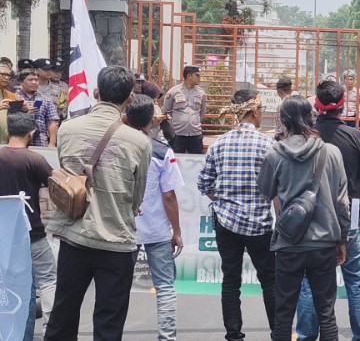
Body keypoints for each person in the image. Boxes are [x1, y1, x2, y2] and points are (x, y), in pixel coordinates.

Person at [45, 66, 152, 341]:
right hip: (116, 239)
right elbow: (137, 196)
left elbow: (66, 176)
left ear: (96, 92)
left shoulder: (68, 129)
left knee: (63, 313)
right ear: (130, 97)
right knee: (109, 321)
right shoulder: (139, 141)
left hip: (74, 234)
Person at [257, 95, 350, 341]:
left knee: (284, 314)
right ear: (311, 117)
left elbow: (265, 191)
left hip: (289, 243)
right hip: (324, 242)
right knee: (326, 313)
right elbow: (342, 203)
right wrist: (342, 239)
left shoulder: (275, 154)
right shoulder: (332, 152)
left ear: (283, 120)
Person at [295, 80, 360, 341]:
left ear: (316, 105)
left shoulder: (305, 138)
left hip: (313, 218)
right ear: (342, 106)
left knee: (309, 283)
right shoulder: (355, 136)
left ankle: (307, 336)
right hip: (349, 216)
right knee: (355, 282)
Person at [197, 89, 277, 341]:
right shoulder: (269, 145)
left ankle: (234, 335)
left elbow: (203, 183)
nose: (262, 114)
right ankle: (279, 333)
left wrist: (222, 199)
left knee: (231, 280)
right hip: (260, 224)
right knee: (270, 281)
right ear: (254, 111)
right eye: (261, 110)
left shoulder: (219, 144)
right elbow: (278, 186)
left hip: (226, 222)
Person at [125, 95, 184, 341]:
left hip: (124, 227)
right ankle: (167, 337)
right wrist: (176, 231)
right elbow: (169, 195)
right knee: (165, 286)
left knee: (117, 288)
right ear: (152, 120)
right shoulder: (162, 151)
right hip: (157, 229)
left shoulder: (117, 146)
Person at [0, 113, 57, 331]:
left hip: (3, 235)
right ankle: (51, 329)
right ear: (31, 134)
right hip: (31, 232)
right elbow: (56, 186)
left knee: (7, 283)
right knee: (48, 279)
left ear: (8, 132)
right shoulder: (34, 160)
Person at [163, 65, 207, 154]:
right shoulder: (173, 92)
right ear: (189, 76)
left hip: (195, 134)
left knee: (196, 159)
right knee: (176, 159)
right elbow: (166, 111)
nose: (199, 78)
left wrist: (194, 123)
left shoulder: (201, 93)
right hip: (177, 134)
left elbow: (202, 113)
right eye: (197, 75)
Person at [15, 68, 58, 147]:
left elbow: (52, 121)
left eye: (36, 80)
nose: (34, 82)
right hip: (18, 141)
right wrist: (25, 113)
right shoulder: (14, 98)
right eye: (30, 80)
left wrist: (52, 143)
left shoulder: (45, 99)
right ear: (21, 82)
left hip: (40, 142)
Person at [0, 62, 21, 143]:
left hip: (7, 142)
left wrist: (24, 110)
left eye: (8, 75)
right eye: (2, 74)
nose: (6, 78)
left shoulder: (11, 96)